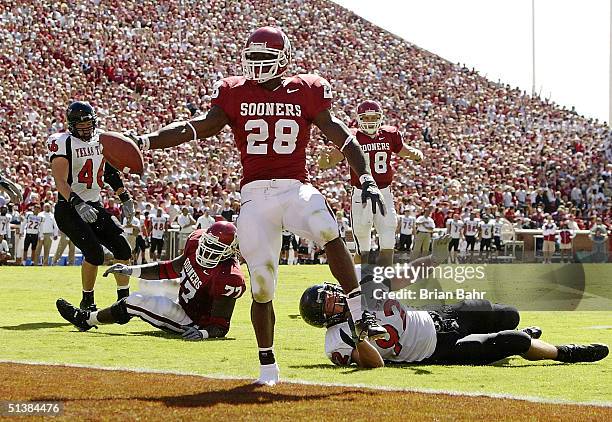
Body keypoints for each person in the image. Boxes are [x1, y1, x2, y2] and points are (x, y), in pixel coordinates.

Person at [127, 26, 386, 385]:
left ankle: (360, 310)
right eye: (253, 58)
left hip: (295, 187)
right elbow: (198, 126)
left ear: (284, 59)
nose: (258, 64)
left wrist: (368, 178)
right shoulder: (234, 92)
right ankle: (268, 367)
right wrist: (146, 140)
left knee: (324, 223)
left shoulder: (306, 89)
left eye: (265, 58)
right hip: (254, 196)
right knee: (262, 283)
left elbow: (341, 135)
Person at [299, 236, 609, 368]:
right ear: (325, 320)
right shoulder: (337, 341)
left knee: (509, 316)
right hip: (437, 351)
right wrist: (360, 332)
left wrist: (434, 259)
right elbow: (376, 364)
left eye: (331, 294)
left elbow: (403, 276)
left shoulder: (358, 283)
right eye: (328, 306)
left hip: (437, 317)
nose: (336, 300)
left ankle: (525, 336)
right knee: (513, 340)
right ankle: (565, 353)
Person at [56, 222, 245, 339]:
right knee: (149, 286)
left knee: (136, 300)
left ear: (230, 250)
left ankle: (86, 319)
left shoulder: (229, 276)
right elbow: (170, 267)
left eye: (215, 247)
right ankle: (118, 313)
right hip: (185, 300)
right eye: (207, 244)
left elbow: (221, 325)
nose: (207, 250)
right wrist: (130, 270)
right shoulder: (196, 241)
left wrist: (203, 333)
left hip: (195, 322)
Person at [48, 101, 135, 311]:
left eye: (89, 125)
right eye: (81, 127)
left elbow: (109, 171)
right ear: (71, 126)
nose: (86, 130)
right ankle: (87, 301)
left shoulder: (102, 140)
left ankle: (124, 302)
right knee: (94, 254)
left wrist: (124, 197)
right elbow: (60, 180)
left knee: (123, 248)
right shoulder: (63, 142)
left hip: (94, 204)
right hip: (68, 207)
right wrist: (77, 202)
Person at [319, 100, 423, 266]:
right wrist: (323, 159)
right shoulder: (352, 136)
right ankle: (362, 280)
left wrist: (415, 153)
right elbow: (328, 162)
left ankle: (385, 280)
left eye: (373, 117)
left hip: (384, 192)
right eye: (366, 118)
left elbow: (403, 150)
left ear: (380, 117)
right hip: (362, 193)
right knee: (362, 241)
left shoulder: (389, 134)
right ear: (359, 119)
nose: (370, 121)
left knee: (388, 237)